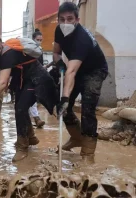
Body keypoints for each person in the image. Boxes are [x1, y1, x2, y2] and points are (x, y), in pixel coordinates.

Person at [0, 36, 56, 162]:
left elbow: (2, 83)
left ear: (0, 47)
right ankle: (31, 137)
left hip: (36, 79)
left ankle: (22, 146)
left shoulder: (7, 55)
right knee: (19, 108)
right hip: (23, 80)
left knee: (22, 109)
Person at [54, 2, 108, 161]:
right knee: (64, 108)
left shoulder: (81, 39)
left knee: (87, 108)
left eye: (70, 19)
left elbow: (71, 72)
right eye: (61, 19)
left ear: (77, 20)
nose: (65, 23)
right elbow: (56, 52)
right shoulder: (59, 30)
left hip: (94, 70)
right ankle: (77, 137)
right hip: (75, 67)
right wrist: (58, 62)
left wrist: (65, 97)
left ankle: (88, 153)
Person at [29, 29, 46, 128]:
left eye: (41, 39)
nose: (39, 41)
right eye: (37, 39)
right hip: (29, 76)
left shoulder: (40, 50)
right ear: (33, 39)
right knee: (31, 98)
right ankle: (36, 118)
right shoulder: (29, 50)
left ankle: (34, 118)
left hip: (37, 76)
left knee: (33, 98)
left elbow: (40, 64)